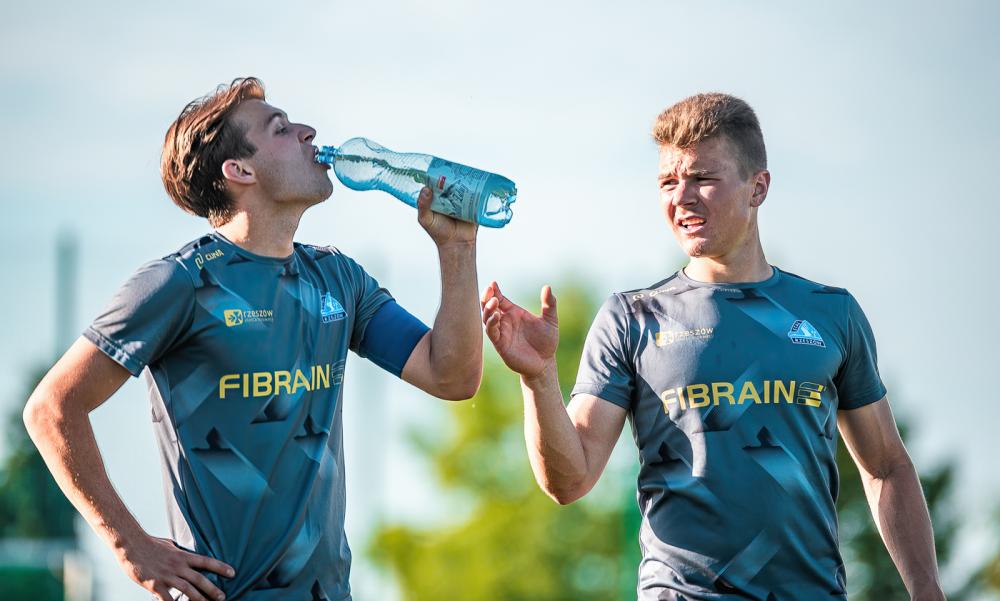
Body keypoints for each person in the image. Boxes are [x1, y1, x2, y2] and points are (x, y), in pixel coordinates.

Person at [23, 77, 483, 601]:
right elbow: (51, 409)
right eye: (281, 129)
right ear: (240, 171)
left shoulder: (338, 278)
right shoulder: (180, 283)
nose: (309, 132)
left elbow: (451, 376)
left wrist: (457, 248)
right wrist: (129, 545)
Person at [481, 93, 945, 600]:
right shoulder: (631, 318)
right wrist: (538, 378)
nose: (681, 197)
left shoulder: (830, 313)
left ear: (757, 187)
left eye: (702, 177)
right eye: (667, 182)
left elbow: (886, 467)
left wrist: (927, 589)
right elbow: (569, 481)